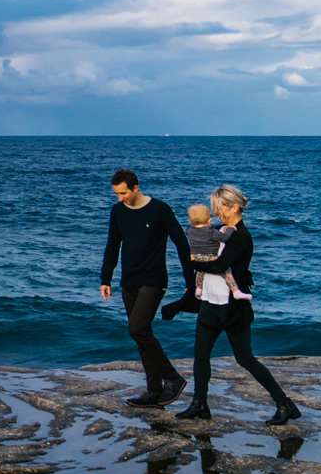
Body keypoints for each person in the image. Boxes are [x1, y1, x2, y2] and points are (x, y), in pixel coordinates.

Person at [175, 184, 300, 427]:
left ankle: (285, 404)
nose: (217, 213)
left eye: (220, 208)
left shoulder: (241, 236)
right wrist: (192, 284)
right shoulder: (219, 231)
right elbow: (208, 260)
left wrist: (192, 262)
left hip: (233, 308)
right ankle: (200, 404)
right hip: (210, 303)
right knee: (200, 355)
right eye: (214, 209)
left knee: (245, 359)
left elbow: (220, 266)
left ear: (234, 207)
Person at [98, 168, 194, 407]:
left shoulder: (160, 209)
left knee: (137, 329)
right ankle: (154, 391)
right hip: (128, 280)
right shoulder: (118, 211)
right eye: (116, 194)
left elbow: (182, 244)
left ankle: (172, 377)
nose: (120, 198)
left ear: (136, 187)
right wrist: (105, 279)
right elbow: (112, 245)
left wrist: (190, 281)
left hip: (154, 279)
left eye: (123, 193)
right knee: (142, 334)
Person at [160, 204, 239, 319]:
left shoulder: (189, 230)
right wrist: (231, 229)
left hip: (195, 258)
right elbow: (224, 237)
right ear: (209, 219)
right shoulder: (211, 231)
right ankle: (235, 290)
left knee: (200, 272)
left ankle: (198, 289)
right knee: (226, 272)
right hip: (209, 257)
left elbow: (198, 232)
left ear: (191, 220)